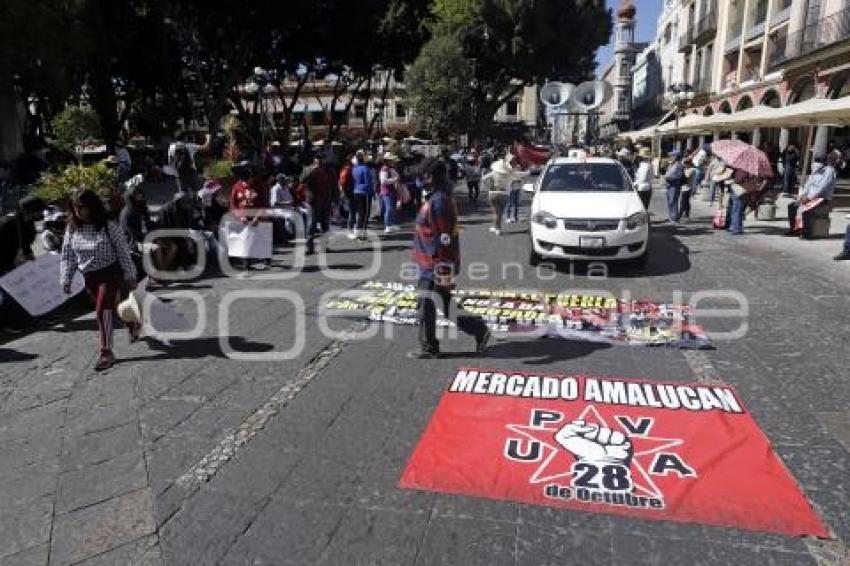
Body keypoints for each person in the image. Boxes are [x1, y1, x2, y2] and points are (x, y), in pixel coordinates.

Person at [409, 159, 490, 359]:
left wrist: (445, 275)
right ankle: (479, 330)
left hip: (434, 264)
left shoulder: (439, 202)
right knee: (444, 305)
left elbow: (444, 241)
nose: (420, 179)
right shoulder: (436, 198)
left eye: (423, 175)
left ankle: (429, 347)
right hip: (429, 262)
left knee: (426, 302)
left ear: (431, 177)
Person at [60, 189, 139, 371]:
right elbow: (68, 255)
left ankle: (106, 352)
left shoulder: (109, 226)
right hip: (90, 278)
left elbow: (123, 253)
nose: (79, 211)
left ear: (93, 206)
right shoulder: (72, 228)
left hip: (110, 274)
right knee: (112, 307)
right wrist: (66, 278)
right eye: (75, 207)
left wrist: (130, 275)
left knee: (102, 311)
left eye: (83, 207)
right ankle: (133, 324)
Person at [0, 196, 46, 332]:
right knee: (9, 295)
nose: (41, 214)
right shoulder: (7, 223)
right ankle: (8, 324)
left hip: (15, 261)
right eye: (38, 211)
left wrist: (29, 254)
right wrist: (6, 267)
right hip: (3, 263)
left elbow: (25, 242)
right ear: (28, 211)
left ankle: (31, 317)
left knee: (27, 289)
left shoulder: (28, 222)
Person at [785, 152, 837, 239]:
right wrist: (803, 195)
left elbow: (822, 187)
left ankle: (806, 233)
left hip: (821, 198)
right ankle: (795, 229)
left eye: (818, 160)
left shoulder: (829, 171)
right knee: (792, 206)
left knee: (806, 210)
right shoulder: (817, 170)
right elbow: (809, 184)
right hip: (809, 197)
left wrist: (809, 198)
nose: (816, 163)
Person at [301, 153, 333, 254]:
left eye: (321, 159)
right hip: (313, 201)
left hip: (325, 200)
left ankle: (324, 246)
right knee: (311, 225)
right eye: (317, 159)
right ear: (314, 160)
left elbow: (333, 184)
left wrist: (335, 198)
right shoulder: (308, 169)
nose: (319, 161)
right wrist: (311, 170)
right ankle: (309, 247)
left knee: (325, 225)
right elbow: (301, 180)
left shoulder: (328, 170)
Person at [488, 154, 527, 235]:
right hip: (505, 194)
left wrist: (490, 187)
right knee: (500, 213)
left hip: (493, 193)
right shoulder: (509, 173)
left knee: (496, 213)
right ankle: (497, 228)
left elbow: (484, 179)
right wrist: (528, 172)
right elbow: (519, 175)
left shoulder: (493, 173)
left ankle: (497, 228)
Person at [349, 151, 372, 240]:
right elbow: (368, 182)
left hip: (356, 191)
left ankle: (358, 231)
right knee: (365, 214)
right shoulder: (365, 169)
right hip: (364, 192)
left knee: (360, 213)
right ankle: (363, 232)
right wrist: (371, 192)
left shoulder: (354, 168)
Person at [379, 152, 401, 233]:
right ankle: (387, 225)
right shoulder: (384, 169)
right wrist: (395, 179)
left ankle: (391, 224)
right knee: (389, 209)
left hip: (391, 191)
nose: (393, 161)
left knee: (392, 209)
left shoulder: (390, 168)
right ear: (387, 160)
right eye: (391, 160)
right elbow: (383, 181)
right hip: (386, 191)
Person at [664, 151, 686, 224]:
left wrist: (668, 177)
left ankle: (674, 219)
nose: (670, 157)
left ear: (676, 157)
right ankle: (671, 217)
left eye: (672, 155)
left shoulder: (679, 165)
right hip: (669, 185)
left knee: (673, 202)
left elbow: (678, 176)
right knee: (670, 202)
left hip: (674, 185)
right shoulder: (672, 164)